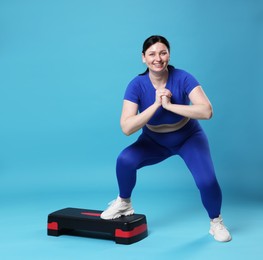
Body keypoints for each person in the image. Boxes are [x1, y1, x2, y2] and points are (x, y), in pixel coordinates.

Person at [100, 35, 231, 242]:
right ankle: (124, 202)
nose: (158, 58)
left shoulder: (183, 78)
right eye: (152, 54)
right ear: (143, 57)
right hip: (154, 141)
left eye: (163, 52)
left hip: (188, 138)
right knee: (125, 160)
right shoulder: (136, 85)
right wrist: (156, 105)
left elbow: (207, 111)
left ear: (169, 54)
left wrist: (170, 106)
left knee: (207, 181)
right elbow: (127, 127)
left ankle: (216, 222)